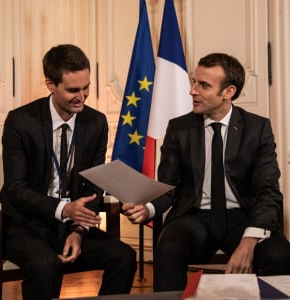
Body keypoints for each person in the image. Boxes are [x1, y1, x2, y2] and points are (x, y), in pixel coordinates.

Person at [122, 53, 290, 292]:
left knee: (280, 255)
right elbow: (169, 187)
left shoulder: (257, 128)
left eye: (203, 85)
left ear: (228, 92)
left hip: (244, 217)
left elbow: (268, 192)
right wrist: (147, 208)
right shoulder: (179, 128)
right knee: (168, 247)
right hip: (194, 217)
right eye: (193, 82)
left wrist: (249, 240)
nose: (192, 91)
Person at [0, 44, 136, 300]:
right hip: (24, 224)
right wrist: (64, 209)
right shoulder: (20, 121)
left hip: (69, 226)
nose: (82, 96)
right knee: (44, 264)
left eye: (86, 88)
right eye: (73, 90)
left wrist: (78, 230)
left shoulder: (96, 122)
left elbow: (94, 186)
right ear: (51, 84)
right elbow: (15, 189)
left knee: (124, 256)